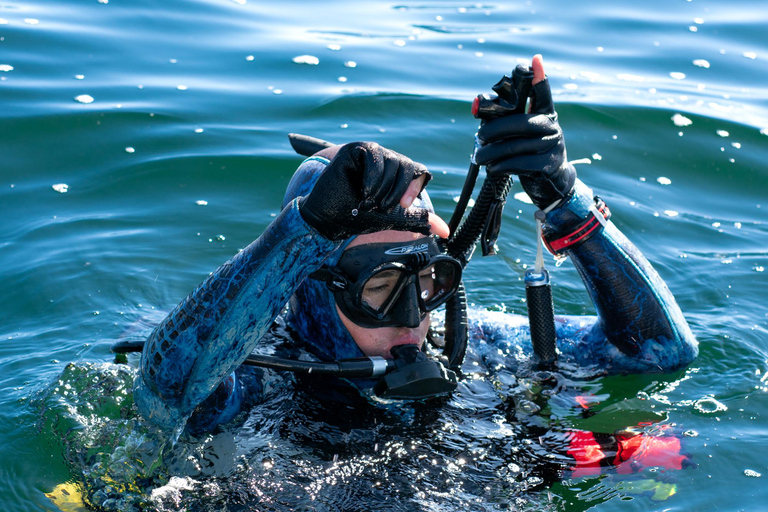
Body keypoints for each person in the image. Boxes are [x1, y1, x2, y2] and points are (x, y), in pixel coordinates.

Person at [133, 55, 697, 439]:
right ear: (313, 284)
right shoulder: (260, 373)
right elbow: (167, 392)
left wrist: (564, 197)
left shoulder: (473, 344)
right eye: (379, 287)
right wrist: (300, 235)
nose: (413, 319)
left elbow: (659, 352)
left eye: (427, 282)